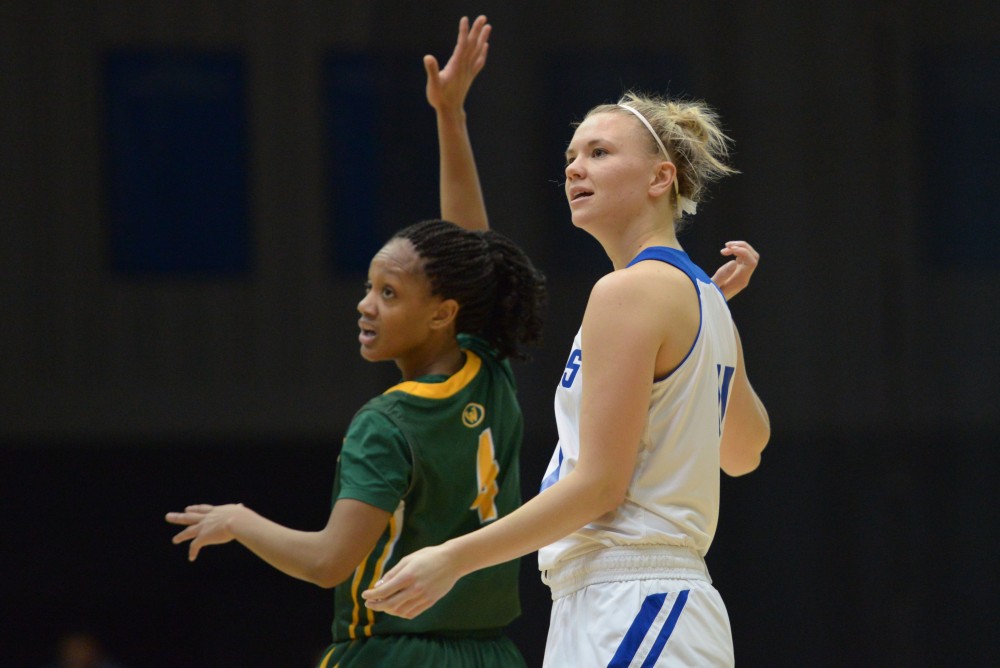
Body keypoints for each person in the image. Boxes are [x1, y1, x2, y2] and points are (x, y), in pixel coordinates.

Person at [363, 15, 770, 667]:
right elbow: (744, 452)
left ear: (660, 178)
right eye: (571, 157)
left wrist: (453, 558)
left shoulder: (632, 292)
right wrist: (716, 331)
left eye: (599, 153)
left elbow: (601, 485)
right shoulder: (703, 302)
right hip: (640, 603)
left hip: (633, 599)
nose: (576, 168)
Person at [166, 215, 547, 667]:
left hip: (393, 652)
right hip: (493, 655)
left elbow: (329, 562)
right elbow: (472, 249)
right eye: (369, 287)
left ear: (443, 312)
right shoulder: (490, 371)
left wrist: (237, 521)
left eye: (388, 293)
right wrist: (453, 139)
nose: (366, 305)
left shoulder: (386, 424)